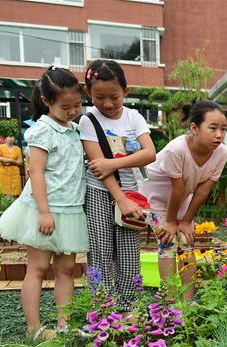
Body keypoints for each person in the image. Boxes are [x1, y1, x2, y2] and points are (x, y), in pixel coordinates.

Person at [0, 67, 87, 339]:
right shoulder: (42, 130)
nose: (72, 111)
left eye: (77, 105)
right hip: (43, 209)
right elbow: (35, 171)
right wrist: (44, 213)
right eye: (65, 107)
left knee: (66, 269)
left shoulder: (75, 129)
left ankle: (63, 326)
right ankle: (33, 329)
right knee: (36, 268)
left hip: (69, 208)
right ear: (46, 101)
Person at [78, 59, 156, 308]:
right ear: (88, 93)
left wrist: (113, 164)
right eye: (99, 97)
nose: (108, 104)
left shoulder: (134, 117)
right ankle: (101, 308)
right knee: (100, 252)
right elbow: (96, 166)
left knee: (129, 253)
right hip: (100, 193)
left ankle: (129, 306)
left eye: (114, 96)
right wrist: (119, 199)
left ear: (126, 91)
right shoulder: (88, 121)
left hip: (131, 195)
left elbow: (149, 153)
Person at [137, 101, 227, 301]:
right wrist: (170, 222)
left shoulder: (222, 153)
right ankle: (169, 303)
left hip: (181, 198)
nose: (219, 135)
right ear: (194, 128)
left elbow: (203, 190)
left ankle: (188, 303)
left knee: (187, 243)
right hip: (154, 198)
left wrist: (187, 221)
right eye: (213, 128)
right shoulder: (176, 149)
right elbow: (176, 188)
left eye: (223, 129)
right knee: (168, 243)